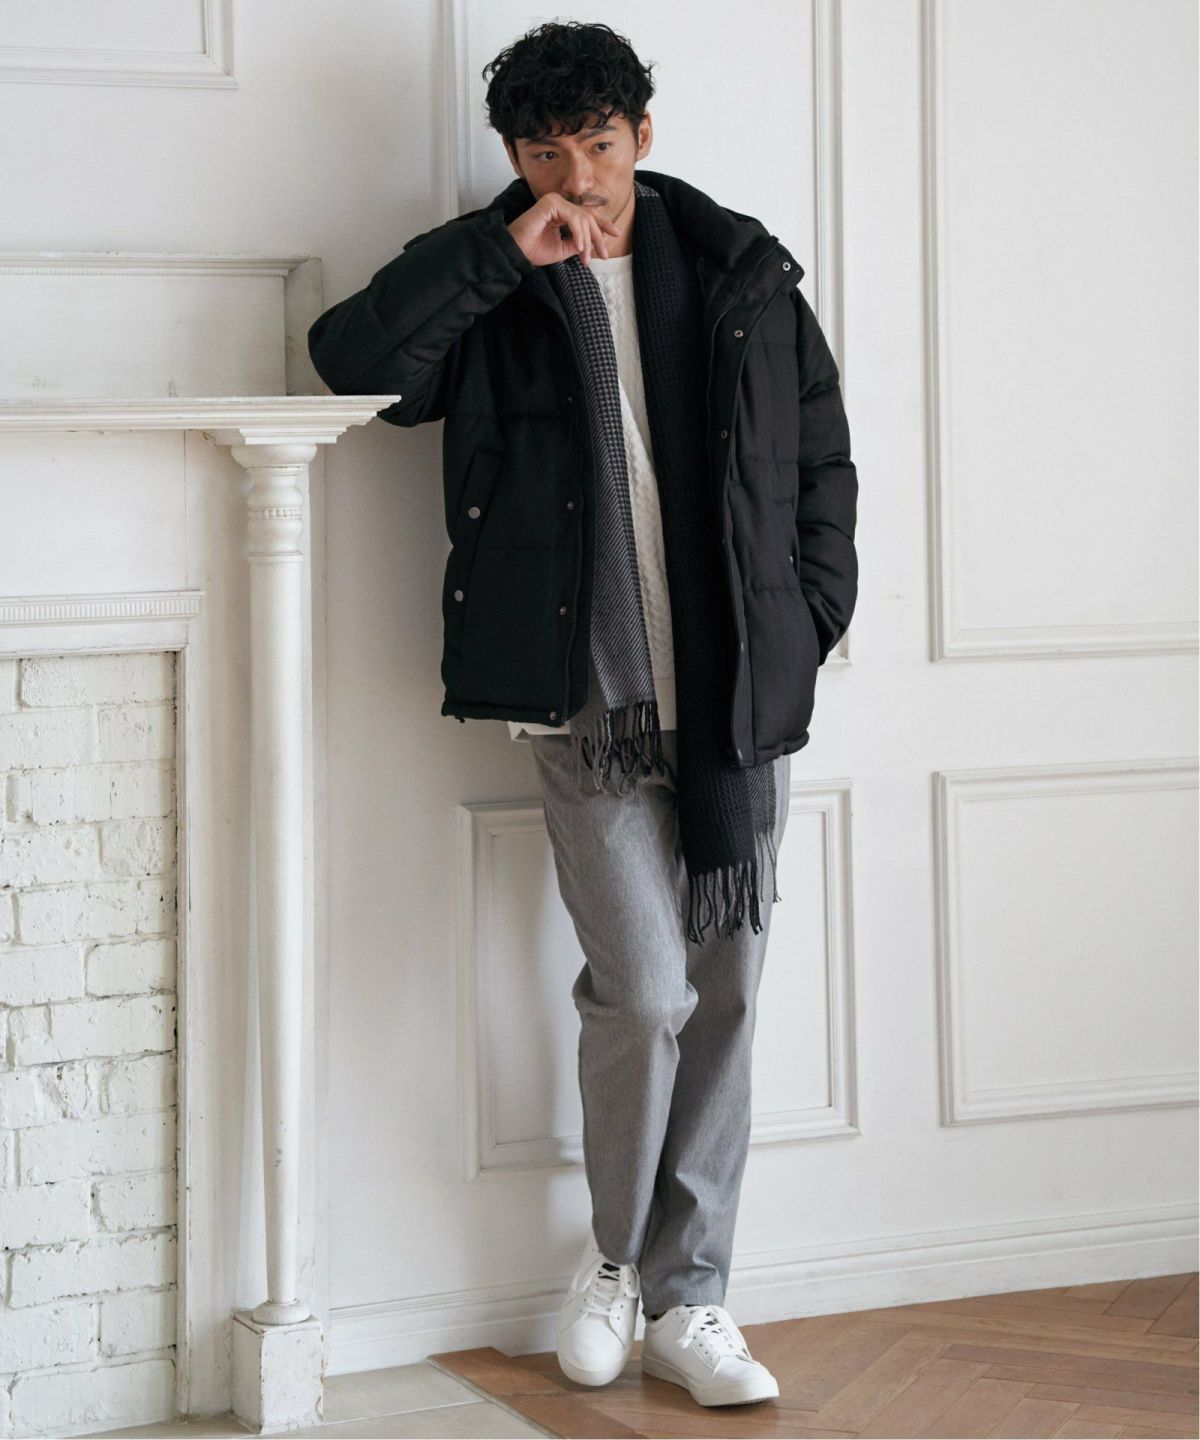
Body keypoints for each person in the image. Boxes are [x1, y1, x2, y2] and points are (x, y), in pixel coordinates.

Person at [307, 18, 858, 1410]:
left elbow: (821, 456)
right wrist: (504, 252)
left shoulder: (736, 269)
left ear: (641, 136)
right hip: (590, 707)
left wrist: (806, 619)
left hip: (733, 699)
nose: (576, 178)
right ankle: (617, 1262)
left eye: (597, 147)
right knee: (648, 991)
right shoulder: (496, 277)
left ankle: (694, 1295)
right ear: (516, 155)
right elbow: (350, 365)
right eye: (545, 154)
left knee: (727, 995)